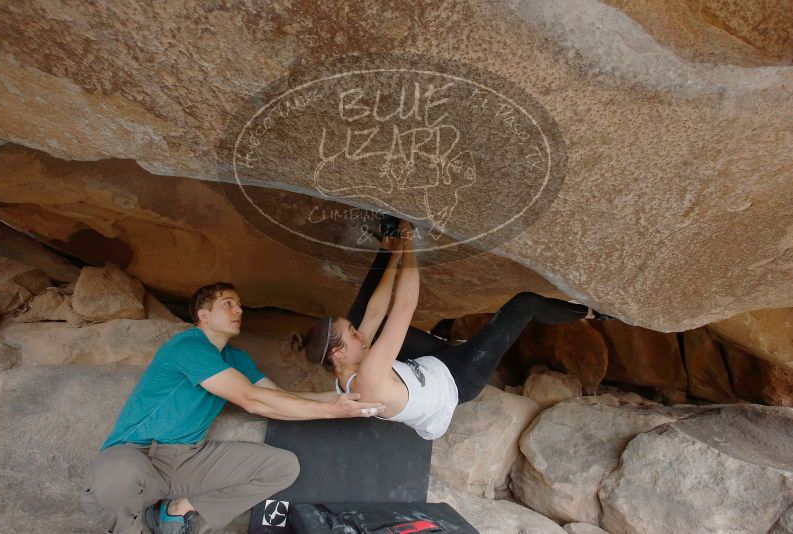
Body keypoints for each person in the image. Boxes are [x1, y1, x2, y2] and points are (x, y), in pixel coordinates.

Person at [82, 282, 385, 534]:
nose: (239, 310)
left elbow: (276, 397)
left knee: (283, 467)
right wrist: (331, 411)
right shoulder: (188, 347)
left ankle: (178, 510)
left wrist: (342, 397)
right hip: (138, 453)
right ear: (203, 315)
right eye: (228, 304)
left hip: (186, 458)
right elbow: (251, 400)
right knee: (118, 473)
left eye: (239, 304)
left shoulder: (235, 358)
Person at [292, 219, 612, 440]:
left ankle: (386, 242)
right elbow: (404, 307)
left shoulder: (344, 371)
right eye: (353, 335)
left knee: (362, 313)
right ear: (338, 352)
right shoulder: (369, 378)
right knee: (524, 304)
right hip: (456, 379)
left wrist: (394, 254)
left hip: (427, 365)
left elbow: (375, 311)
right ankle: (592, 312)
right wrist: (409, 244)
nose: (360, 334)